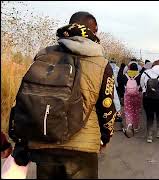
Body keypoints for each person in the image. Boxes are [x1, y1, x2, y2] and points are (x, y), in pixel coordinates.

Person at [10, 11, 116, 179]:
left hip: (44, 142)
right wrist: (105, 137)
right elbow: (107, 108)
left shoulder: (44, 54)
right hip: (82, 149)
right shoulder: (102, 64)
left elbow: (24, 95)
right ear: (93, 30)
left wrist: (19, 135)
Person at [122, 63, 142, 135]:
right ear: (137, 68)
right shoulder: (140, 75)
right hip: (137, 96)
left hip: (127, 96)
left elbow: (122, 84)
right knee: (136, 110)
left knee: (128, 110)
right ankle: (136, 127)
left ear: (129, 68)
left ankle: (129, 124)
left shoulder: (125, 75)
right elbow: (142, 85)